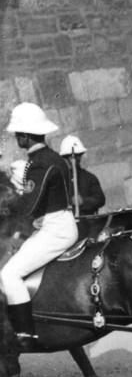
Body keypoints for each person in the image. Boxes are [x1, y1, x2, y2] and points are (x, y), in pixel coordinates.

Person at [1, 103, 78, 341]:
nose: (16, 138)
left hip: (56, 230)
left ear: (24, 135)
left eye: (17, 135)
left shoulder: (41, 163)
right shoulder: (51, 158)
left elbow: (29, 205)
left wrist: (7, 206)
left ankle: (25, 332)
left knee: (8, 275)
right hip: (53, 223)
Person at [58, 136, 106, 216]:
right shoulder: (59, 179)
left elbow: (100, 199)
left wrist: (83, 201)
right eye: (73, 156)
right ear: (65, 157)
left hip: (87, 223)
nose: (77, 158)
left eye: (79, 155)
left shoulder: (89, 177)